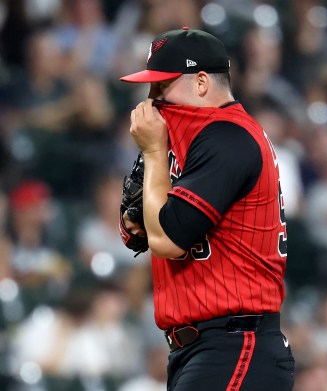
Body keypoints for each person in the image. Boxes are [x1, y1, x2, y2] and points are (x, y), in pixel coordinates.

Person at [119, 27, 294, 390]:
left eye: (161, 87)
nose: (151, 102)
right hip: (204, 349)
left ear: (201, 83)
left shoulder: (228, 137)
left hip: (235, 344)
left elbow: (166, 239)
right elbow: (137, 230)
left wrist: (154, 153)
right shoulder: (197, 139)